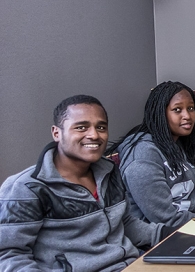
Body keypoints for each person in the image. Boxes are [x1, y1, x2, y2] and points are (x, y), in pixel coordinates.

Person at [0, 95, 169, 271]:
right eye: (81, 127)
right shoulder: (26, 188)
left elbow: (125, 223)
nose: (94, 135)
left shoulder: (109, 171)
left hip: (132, 265)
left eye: (101, 127)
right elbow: (8, 255)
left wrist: (175, 234)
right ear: (57, 133)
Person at [112, 81, 195, 228]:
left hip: (194, 227)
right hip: (164, 239)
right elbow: (167, 219)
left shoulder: (182, 144)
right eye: (177, 110)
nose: (187, 115)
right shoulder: (142, 156)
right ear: (160, 113)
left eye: (191, 108)